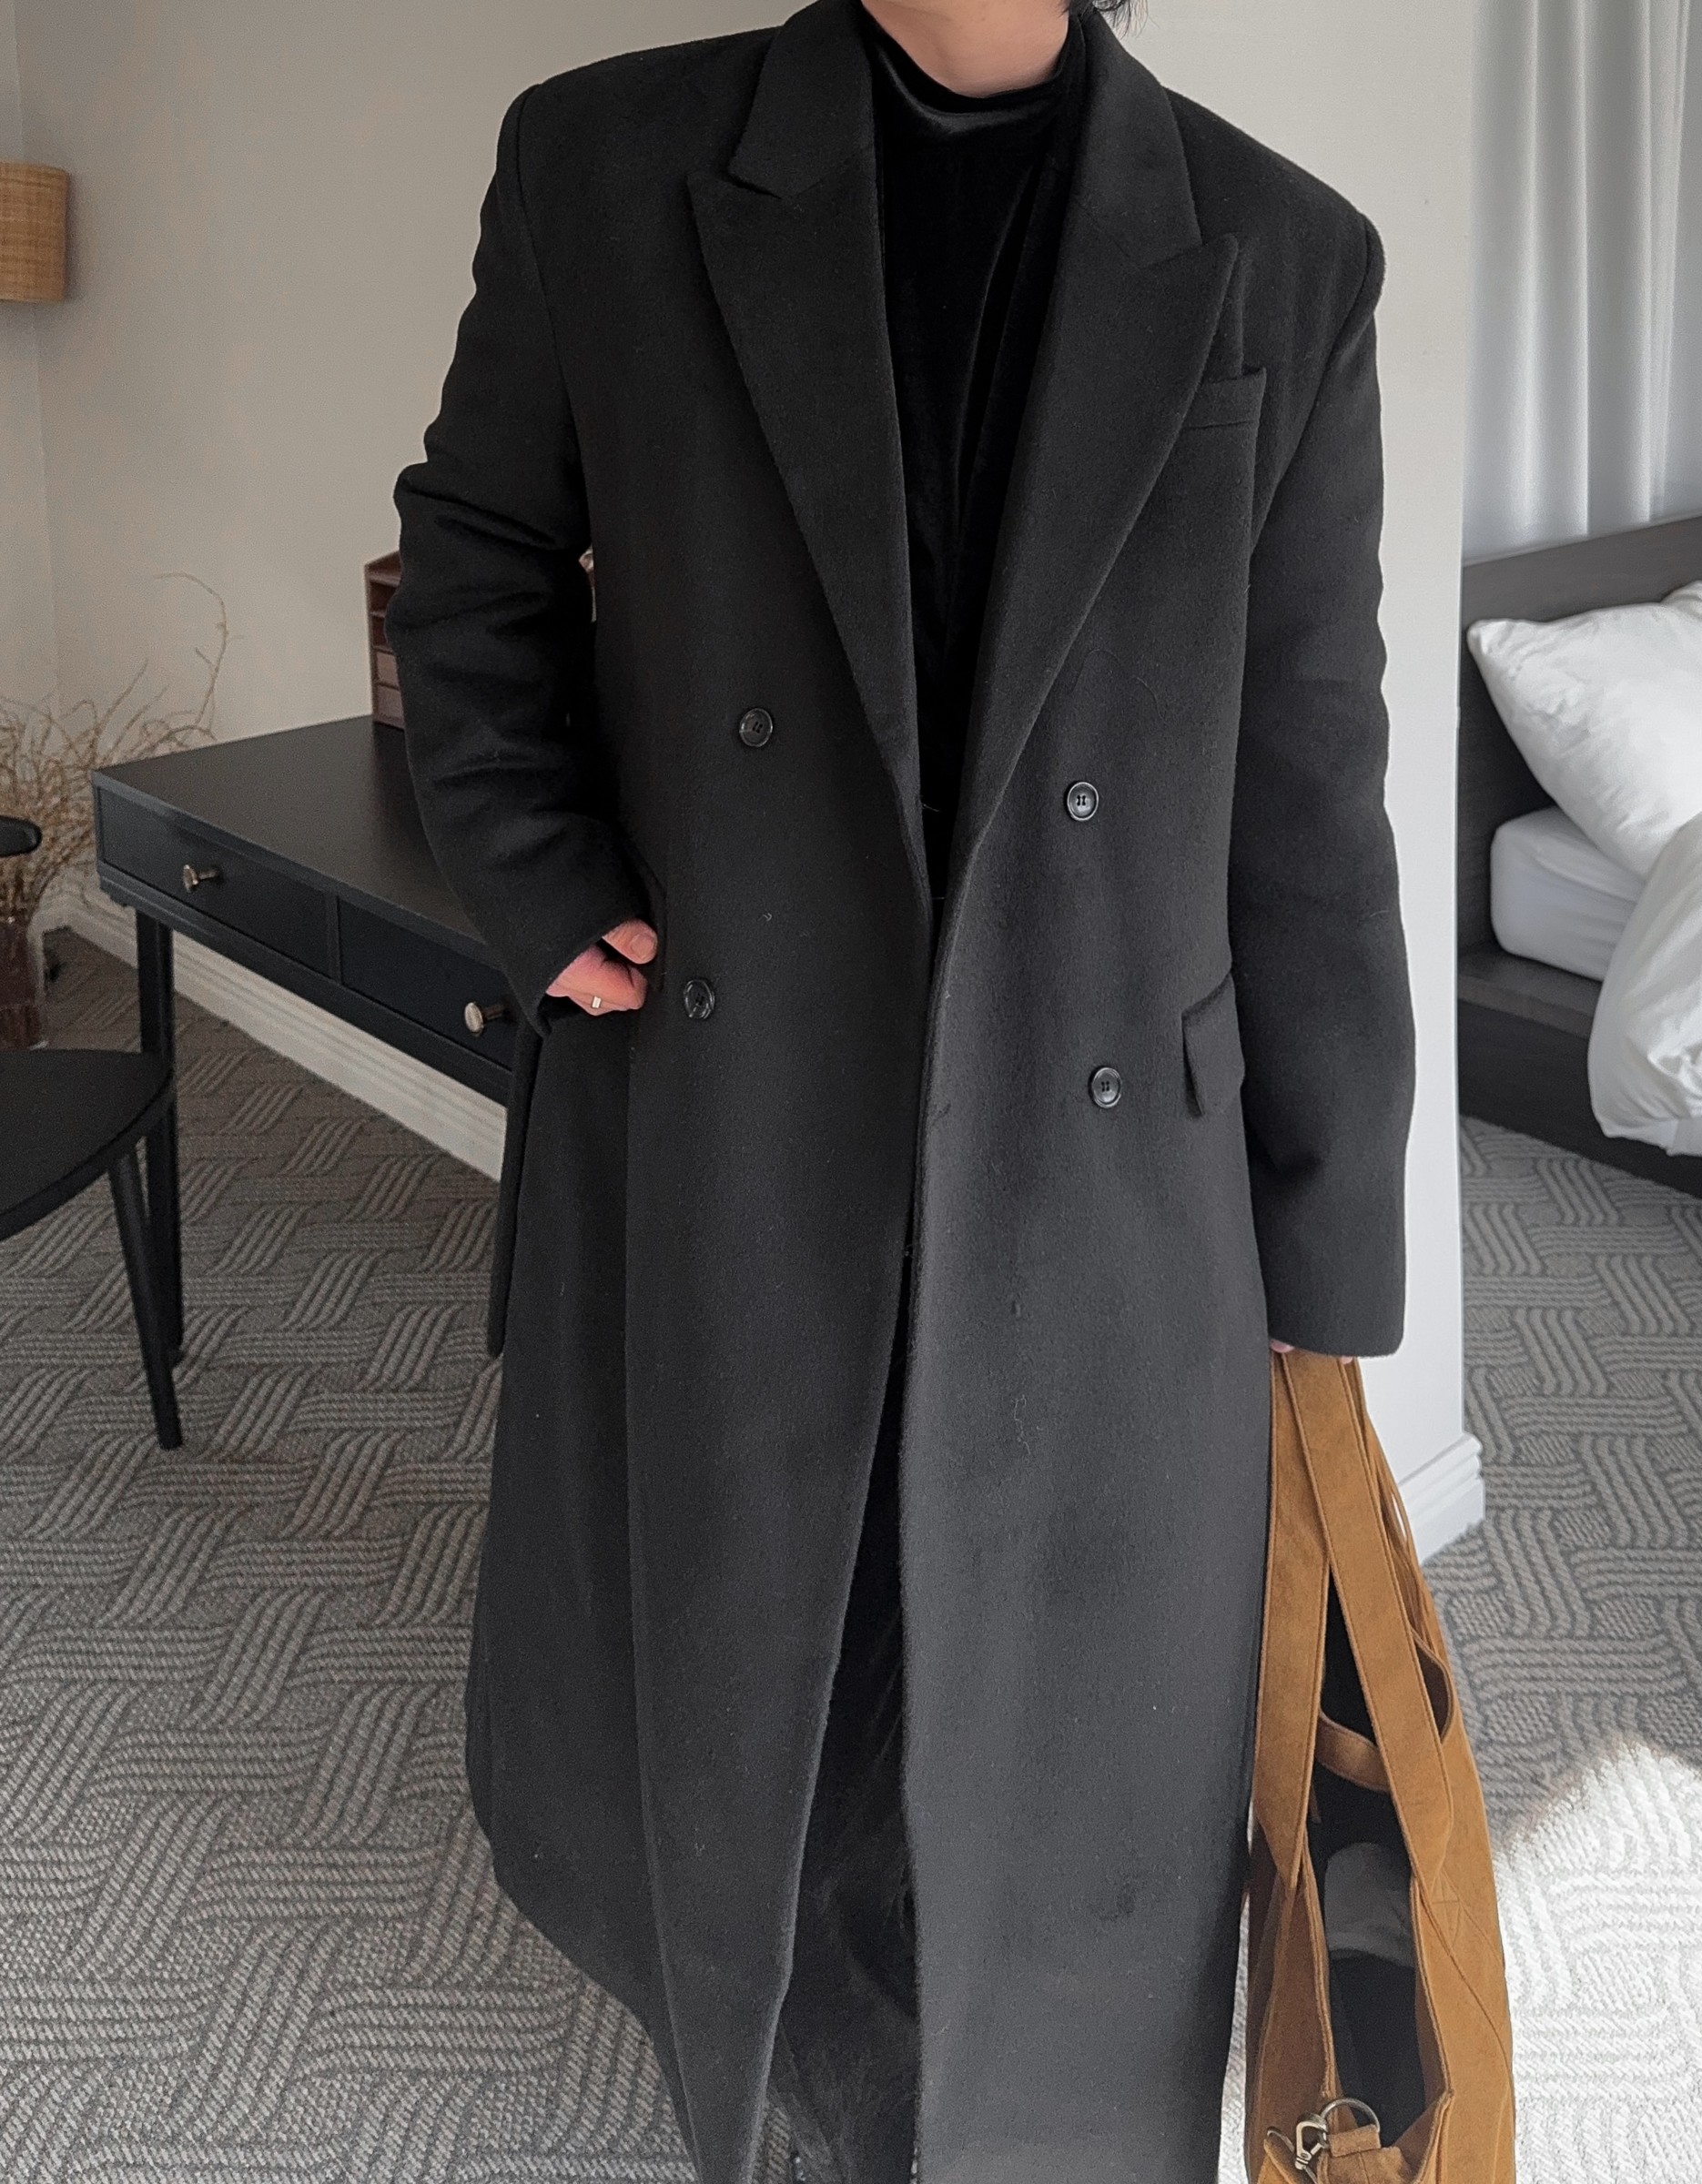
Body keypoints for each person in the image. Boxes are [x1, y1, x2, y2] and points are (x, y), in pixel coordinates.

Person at [383, 0, 1415, 2178]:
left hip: (1101, 1152)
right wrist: (537, 874)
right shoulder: (604, 162)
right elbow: (473, 550)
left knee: (1055, 1754)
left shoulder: (1285, 253)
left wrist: (1328, 1265)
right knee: (772, 1676)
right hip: (734, 1100)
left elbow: (1309, 786)